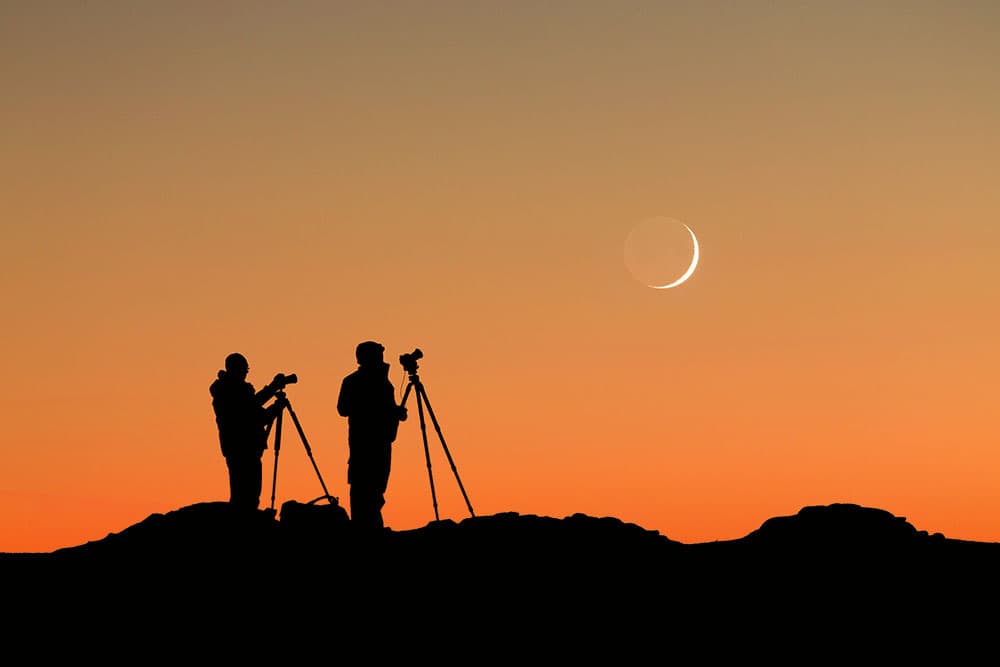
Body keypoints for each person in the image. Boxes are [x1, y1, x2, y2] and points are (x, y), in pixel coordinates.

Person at [337, 340, 407, 535]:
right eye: (378, 355)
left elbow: (386, 408)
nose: (382, 358)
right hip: (364, 445)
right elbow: (343, 409)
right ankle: (366, 530)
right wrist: (383, 410)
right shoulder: (354, 381)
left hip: (381, 442)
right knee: (364, 489)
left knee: (376, 488)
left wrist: (395, 413)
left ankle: (371, 527)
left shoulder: (384, 383)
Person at [209, 352, 290, 512]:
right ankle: (246, 527)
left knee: (245, 494)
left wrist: (273, 388)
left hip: (239, 447)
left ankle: (245, 522)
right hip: (243, 447)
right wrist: (275, 407)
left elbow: (252, 406)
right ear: (236, 369)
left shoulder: (228, 390)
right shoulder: (231, 392)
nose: (247, 372)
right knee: (247, 495)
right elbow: (251, 415)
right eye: (245, 368)